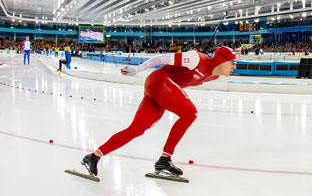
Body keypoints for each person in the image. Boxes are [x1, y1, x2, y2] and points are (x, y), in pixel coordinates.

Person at [78, 46, 237, 179]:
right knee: (190, 113)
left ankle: (94, 156)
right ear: (221, 59)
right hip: (159, 81)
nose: (234, 67)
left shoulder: (214, 76)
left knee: (136, 129)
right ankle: (165, 159)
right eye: (232, 63)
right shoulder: (196, 58)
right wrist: (137, 69)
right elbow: (161, 59)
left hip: (160, 91)